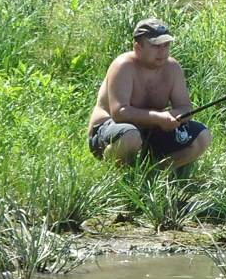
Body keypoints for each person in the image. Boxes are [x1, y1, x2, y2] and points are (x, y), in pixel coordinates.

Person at [87, 18, 212, 168]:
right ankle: (114, 171)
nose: (162, 51)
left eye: (166, 45)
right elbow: (119, 113)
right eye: (156, 46)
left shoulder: (172, 68)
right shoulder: (123, 66)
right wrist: (159, 118)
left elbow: (185, 107)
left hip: (152, 131)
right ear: (137, 47)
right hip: (110, 131)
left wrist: (175, 117)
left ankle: (155, 172)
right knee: (130, 136)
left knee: (202, 136)